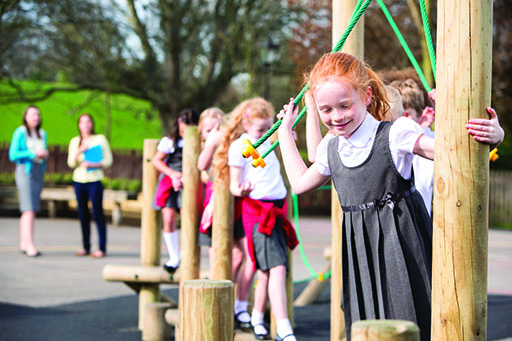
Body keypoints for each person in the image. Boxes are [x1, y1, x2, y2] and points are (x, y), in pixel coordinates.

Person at [277, 52, 504, 340]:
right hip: (360, 251)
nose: (336, 117)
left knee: (410, 317)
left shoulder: (395, 134)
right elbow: (298, 184)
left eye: (344, 106)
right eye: (326, 110)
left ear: (367, 96)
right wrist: (285, 132)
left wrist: (494, 135)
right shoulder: (332, 148)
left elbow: (454, 152)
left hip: (403, 244)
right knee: (367, 322)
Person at [213, 97, 298, 340]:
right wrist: (242, 189)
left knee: (267, 271)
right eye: (261, 129)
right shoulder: (240, 146)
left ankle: (258, 319)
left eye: (268, 127)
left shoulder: (270, 140)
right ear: (246, 125)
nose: (265, 132)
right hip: (258, 211)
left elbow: (288, 137)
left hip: (277, 208)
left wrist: (287, 122)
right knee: (278, 268)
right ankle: (283, 327)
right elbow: (234, 186)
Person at [152, 108, 199, 273]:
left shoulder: (197, 141)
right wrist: (173, 174)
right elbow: (156, 161)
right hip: (171, 182)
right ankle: (174, 256)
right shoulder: (170, 141)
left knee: (189, 219)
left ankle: (187, 253)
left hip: (189, 183)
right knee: (169, 219)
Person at [67, 113, 113, 258]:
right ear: (79, 125)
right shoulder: (75, 141)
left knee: (97, 213)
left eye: (88, 122)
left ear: (92, 124)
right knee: (82, 214)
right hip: (79, 180)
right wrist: (79, 151)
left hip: (94, 179)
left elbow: (108, 160)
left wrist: (93, 164)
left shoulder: (100, 140)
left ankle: (101, 247)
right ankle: (85, 246)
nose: (85, 125)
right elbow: (71, 163)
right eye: (82, 122)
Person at [9, 105, 48, 257]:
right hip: (25, 171)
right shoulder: (20, 132)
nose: (35, 117)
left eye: (37, 114)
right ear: (25, 117)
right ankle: (30, 244)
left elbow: (42, 153)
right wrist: (32, 153)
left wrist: (44, 154)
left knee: (30, 209)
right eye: (32, 115)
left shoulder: (42, 134)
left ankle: (24, 243)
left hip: (38, 171)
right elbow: (13, 155)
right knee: (29, 209)